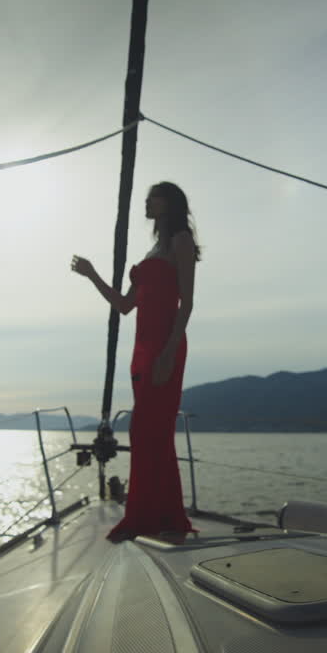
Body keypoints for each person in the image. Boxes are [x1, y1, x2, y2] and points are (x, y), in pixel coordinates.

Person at [71, 181, 199, 541]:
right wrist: (92, 274)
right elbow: (125, 306)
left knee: (148, 430)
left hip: (165, 346)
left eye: (152, 197)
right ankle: (158, 515)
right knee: (147, 432)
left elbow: (186, 303)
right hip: (142, 350)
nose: (146, 201)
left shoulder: (181, 242)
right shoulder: (155, 249)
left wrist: (169, 352)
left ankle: (153, 516)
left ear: (168, 203)